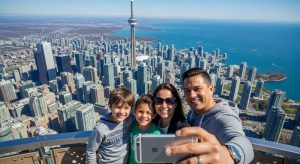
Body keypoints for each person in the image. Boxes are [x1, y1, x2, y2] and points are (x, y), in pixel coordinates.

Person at [165, 67, 254, 164]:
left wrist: (228, 155)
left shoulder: (224, 117)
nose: (192, 95)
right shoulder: (192, 112)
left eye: (197, 89)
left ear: (211, 89)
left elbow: (244, 143)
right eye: (187, 90)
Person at [86, 87, 135, 164]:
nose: (122, 111)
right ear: (110, 106)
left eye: (126, 108)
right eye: (118, 107)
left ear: (130, 108)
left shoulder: (130, 118)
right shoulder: (100, 129)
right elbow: (91, 150)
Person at [129, 94, 161, 164]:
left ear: (154, 115)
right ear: (135, 112)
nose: (144, 116)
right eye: (140, 111)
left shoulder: (156, 135)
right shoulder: (132, 125)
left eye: (149, 113)